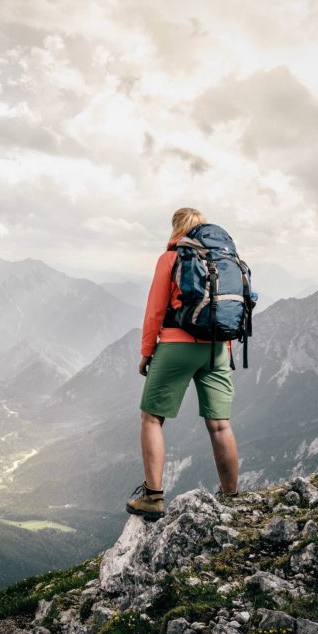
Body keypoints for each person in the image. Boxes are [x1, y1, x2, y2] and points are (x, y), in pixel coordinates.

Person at [125, 207, 240, 521]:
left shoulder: (171, 258)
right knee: (220, 425)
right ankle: (231, 496)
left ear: (177, 229)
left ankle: (153, 497)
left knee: (152, 418)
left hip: (178, 344)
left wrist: (147, 353)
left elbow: (154, 312)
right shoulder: (225, 258)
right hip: (219, 347)